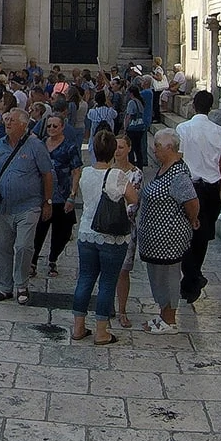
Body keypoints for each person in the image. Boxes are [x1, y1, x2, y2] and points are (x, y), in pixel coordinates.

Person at [69, 130, 136, 346]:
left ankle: (78, 326)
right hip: (111, 235)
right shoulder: (117, 175)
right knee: (107, 282)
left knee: (85, 279)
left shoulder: (86, 173)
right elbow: (133, 198)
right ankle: (101, 331)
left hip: (87, 232)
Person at [0, 108, 52, 303]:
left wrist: (47, 202)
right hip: (4, 206)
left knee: (23, 246)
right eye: (7, 120)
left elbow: (47, 174)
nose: (8, 123)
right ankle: (4, 286)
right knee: (2, 247)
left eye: (12, 120)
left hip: (29, 206)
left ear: (24, 125)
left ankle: (21, 284)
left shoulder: (35, 146)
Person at [138, 130, 200, 335]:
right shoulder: (163, 168)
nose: (154, 150)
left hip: (169, 237)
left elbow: (192, 202)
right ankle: (162, 313)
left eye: (157, 146)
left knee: (169, 276)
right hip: (154, 237)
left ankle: (170, 318)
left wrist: (192, 220)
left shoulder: (178, 174)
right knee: (157, 276)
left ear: (169, 148)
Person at [174, 89, 221, 304]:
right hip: (211, 188)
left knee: (187, 232)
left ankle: (192, 277)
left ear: (193, 105)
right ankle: (192, 277)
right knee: (202, 235)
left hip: (189, 186)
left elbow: (178, 158)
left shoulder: (183, 128)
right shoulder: (219, 132)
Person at [35, 111, 81, 279]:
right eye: (49, 126)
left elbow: (76, 171)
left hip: (61, 195)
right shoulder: (40, 144)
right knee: (38, 230)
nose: (51, 129)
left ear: (62, 127)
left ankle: (53, 258)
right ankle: (32, 261)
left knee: (62, 232)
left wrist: (72, 195)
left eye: (55, 126)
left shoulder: (69, 146)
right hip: (41, 195)